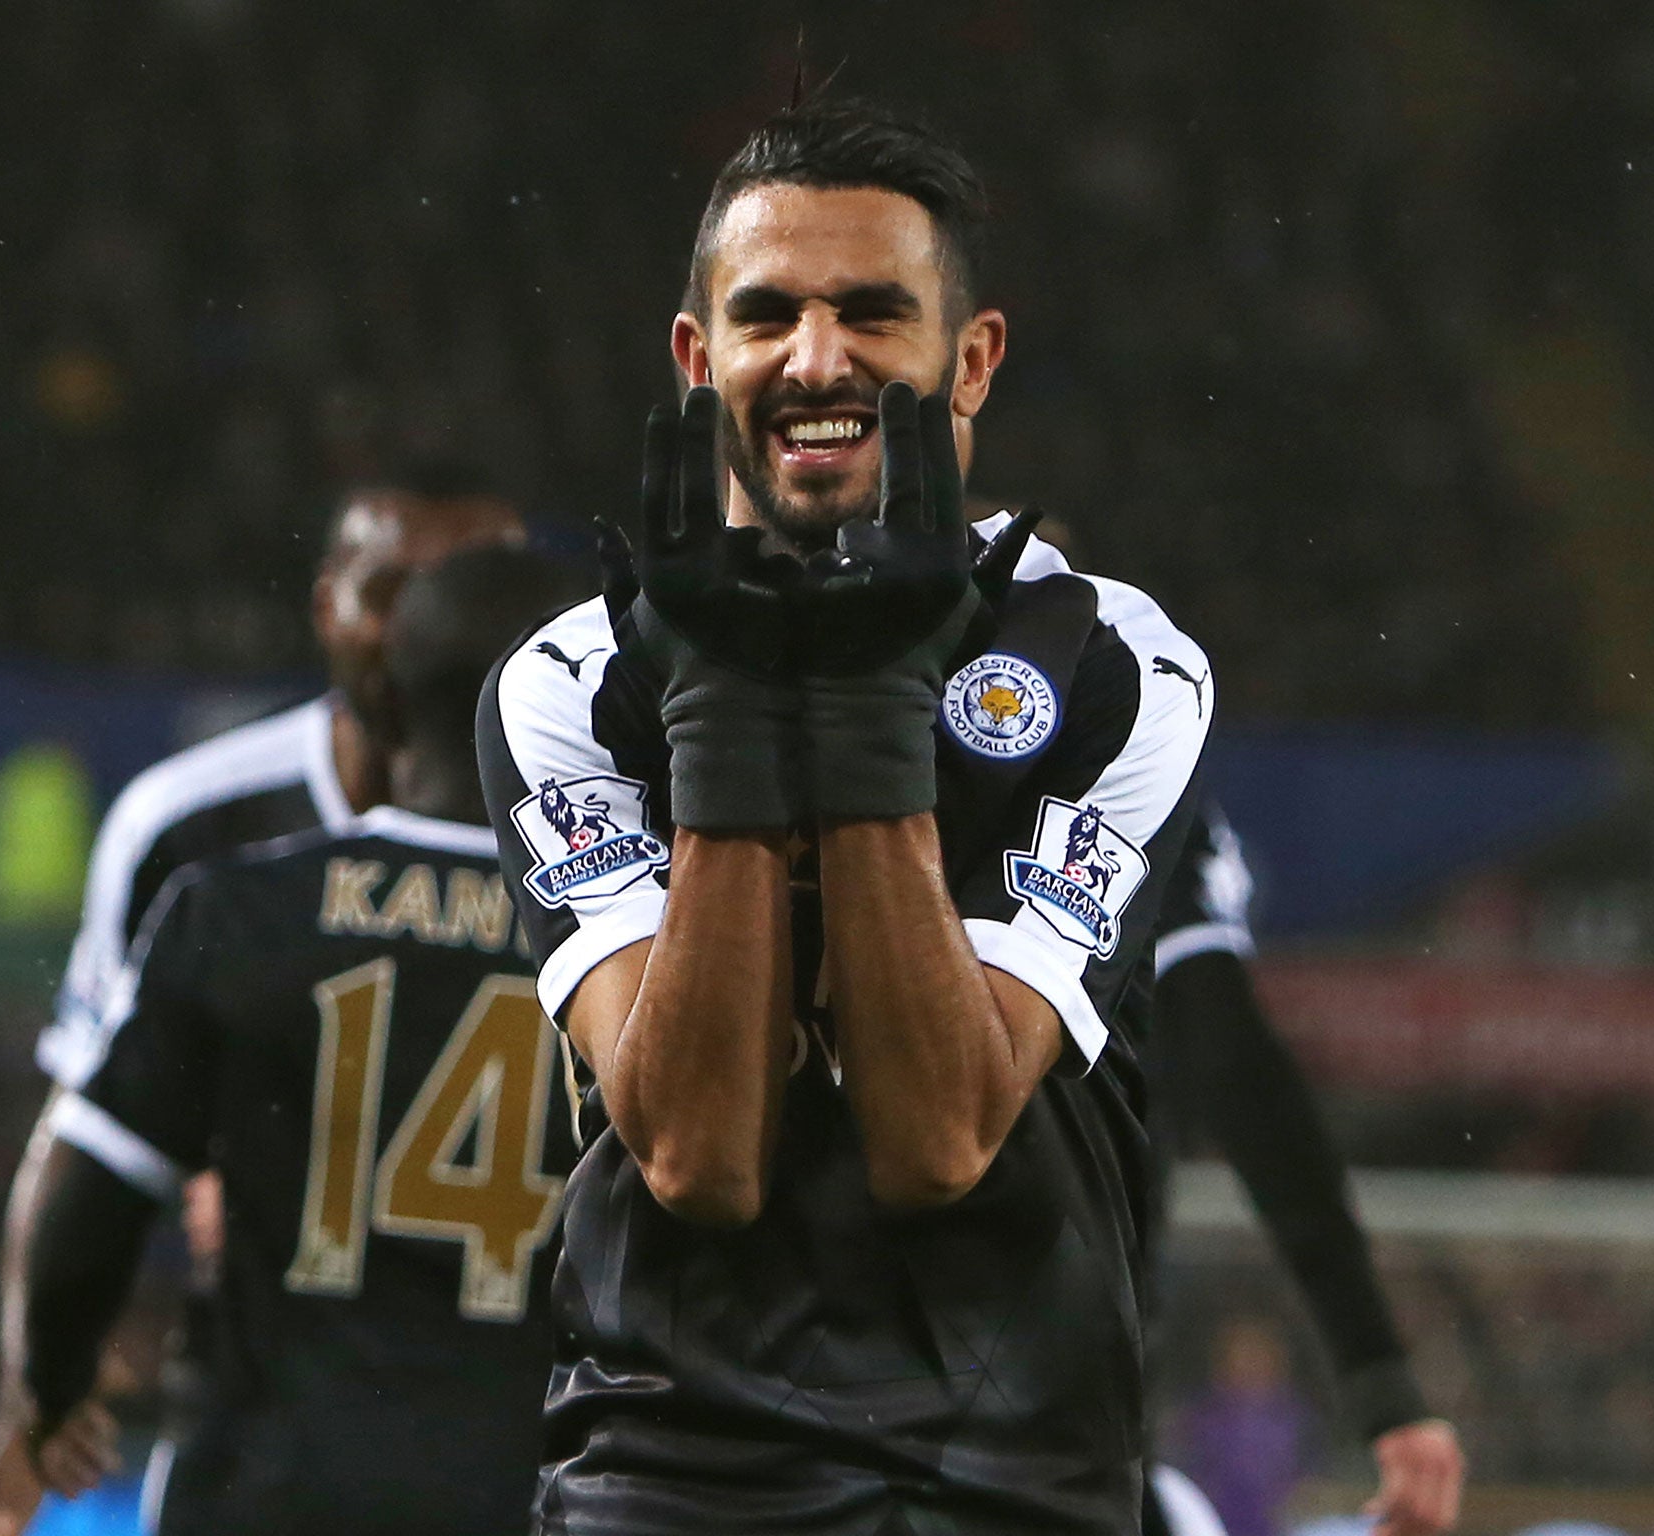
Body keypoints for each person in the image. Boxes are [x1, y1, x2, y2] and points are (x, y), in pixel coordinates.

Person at [477, 97, 1213, 1533]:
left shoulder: (1119, 669)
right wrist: (728, 707)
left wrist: (872, 702)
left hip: (1011, 1484)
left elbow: (938, 1140)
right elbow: (694, 1155)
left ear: (973, 358)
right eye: (769, 316)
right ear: (700, 359)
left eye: (875, 312)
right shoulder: (570, 683)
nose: (819, 360)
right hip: (666, 1480)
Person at [0, 463, 532, 1536]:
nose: (431, 617)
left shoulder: (238, 900)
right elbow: (85, 1133)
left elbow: (99, 1167)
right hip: (432, 1443)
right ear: (329, 604)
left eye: (467, 585)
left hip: (298, 1458)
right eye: (398, 585)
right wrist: (31, 1393)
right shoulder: (186, 822)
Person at [1140, 810, 1465, 1536]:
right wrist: (1380, 1374)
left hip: (854, 1364)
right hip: (1051, 1390)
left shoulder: (870, 767)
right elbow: (1245, 1082)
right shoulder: (1135, 758)